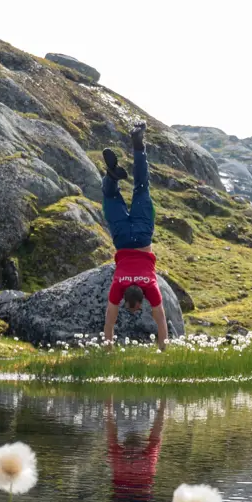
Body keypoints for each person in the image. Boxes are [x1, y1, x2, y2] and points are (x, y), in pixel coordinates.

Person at [102, 121, 169, 350]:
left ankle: (139, 146)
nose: (135, 310)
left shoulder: (150, 286)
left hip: (142, 236)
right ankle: (110, 177)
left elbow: (161, 321)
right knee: (110, 199)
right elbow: (109, 321)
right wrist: (108, 348)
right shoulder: (118, 287)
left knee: (142, 187)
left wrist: (164, 348)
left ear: (140, 299)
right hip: (122, 238)